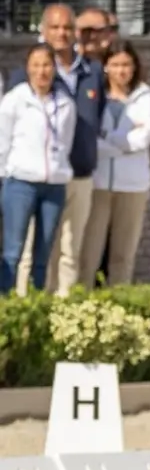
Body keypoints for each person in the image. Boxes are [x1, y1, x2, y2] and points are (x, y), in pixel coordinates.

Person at [10, 4, 105, 297]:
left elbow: (96, 116)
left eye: (67, 27)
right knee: (30, 251)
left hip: (79, 175)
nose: (62, 33)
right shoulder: (27, 74)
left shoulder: (93, 72)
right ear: (44, 30)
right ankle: (27, 308)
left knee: (69, 250)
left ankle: (62, 313)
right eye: (55, 27)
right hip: (36, 178)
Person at [79, 40, 150, 288]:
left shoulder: (145, 95)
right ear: (105, 66)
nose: (121, 71)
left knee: (123, 256)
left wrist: (107, 138)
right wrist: (121, 141)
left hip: (133, 186)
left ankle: (120, 309)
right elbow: (88, 138)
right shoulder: (94, 94)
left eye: (126, 64)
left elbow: (143, 138)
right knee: (88, 254)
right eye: (115, 64)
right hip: (98, 183)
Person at [0, 43, 75, 293]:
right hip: (20, 182)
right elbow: (3, 141)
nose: (41, 71)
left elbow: (65, 141)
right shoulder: (15, 100)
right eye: (36, 65)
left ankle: (35, 306)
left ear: (54, 69)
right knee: (13, 251)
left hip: (53, 186)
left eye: (46, 65)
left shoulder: (65, 104)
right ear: (27, 68)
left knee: (42, 256)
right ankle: (6, 307)